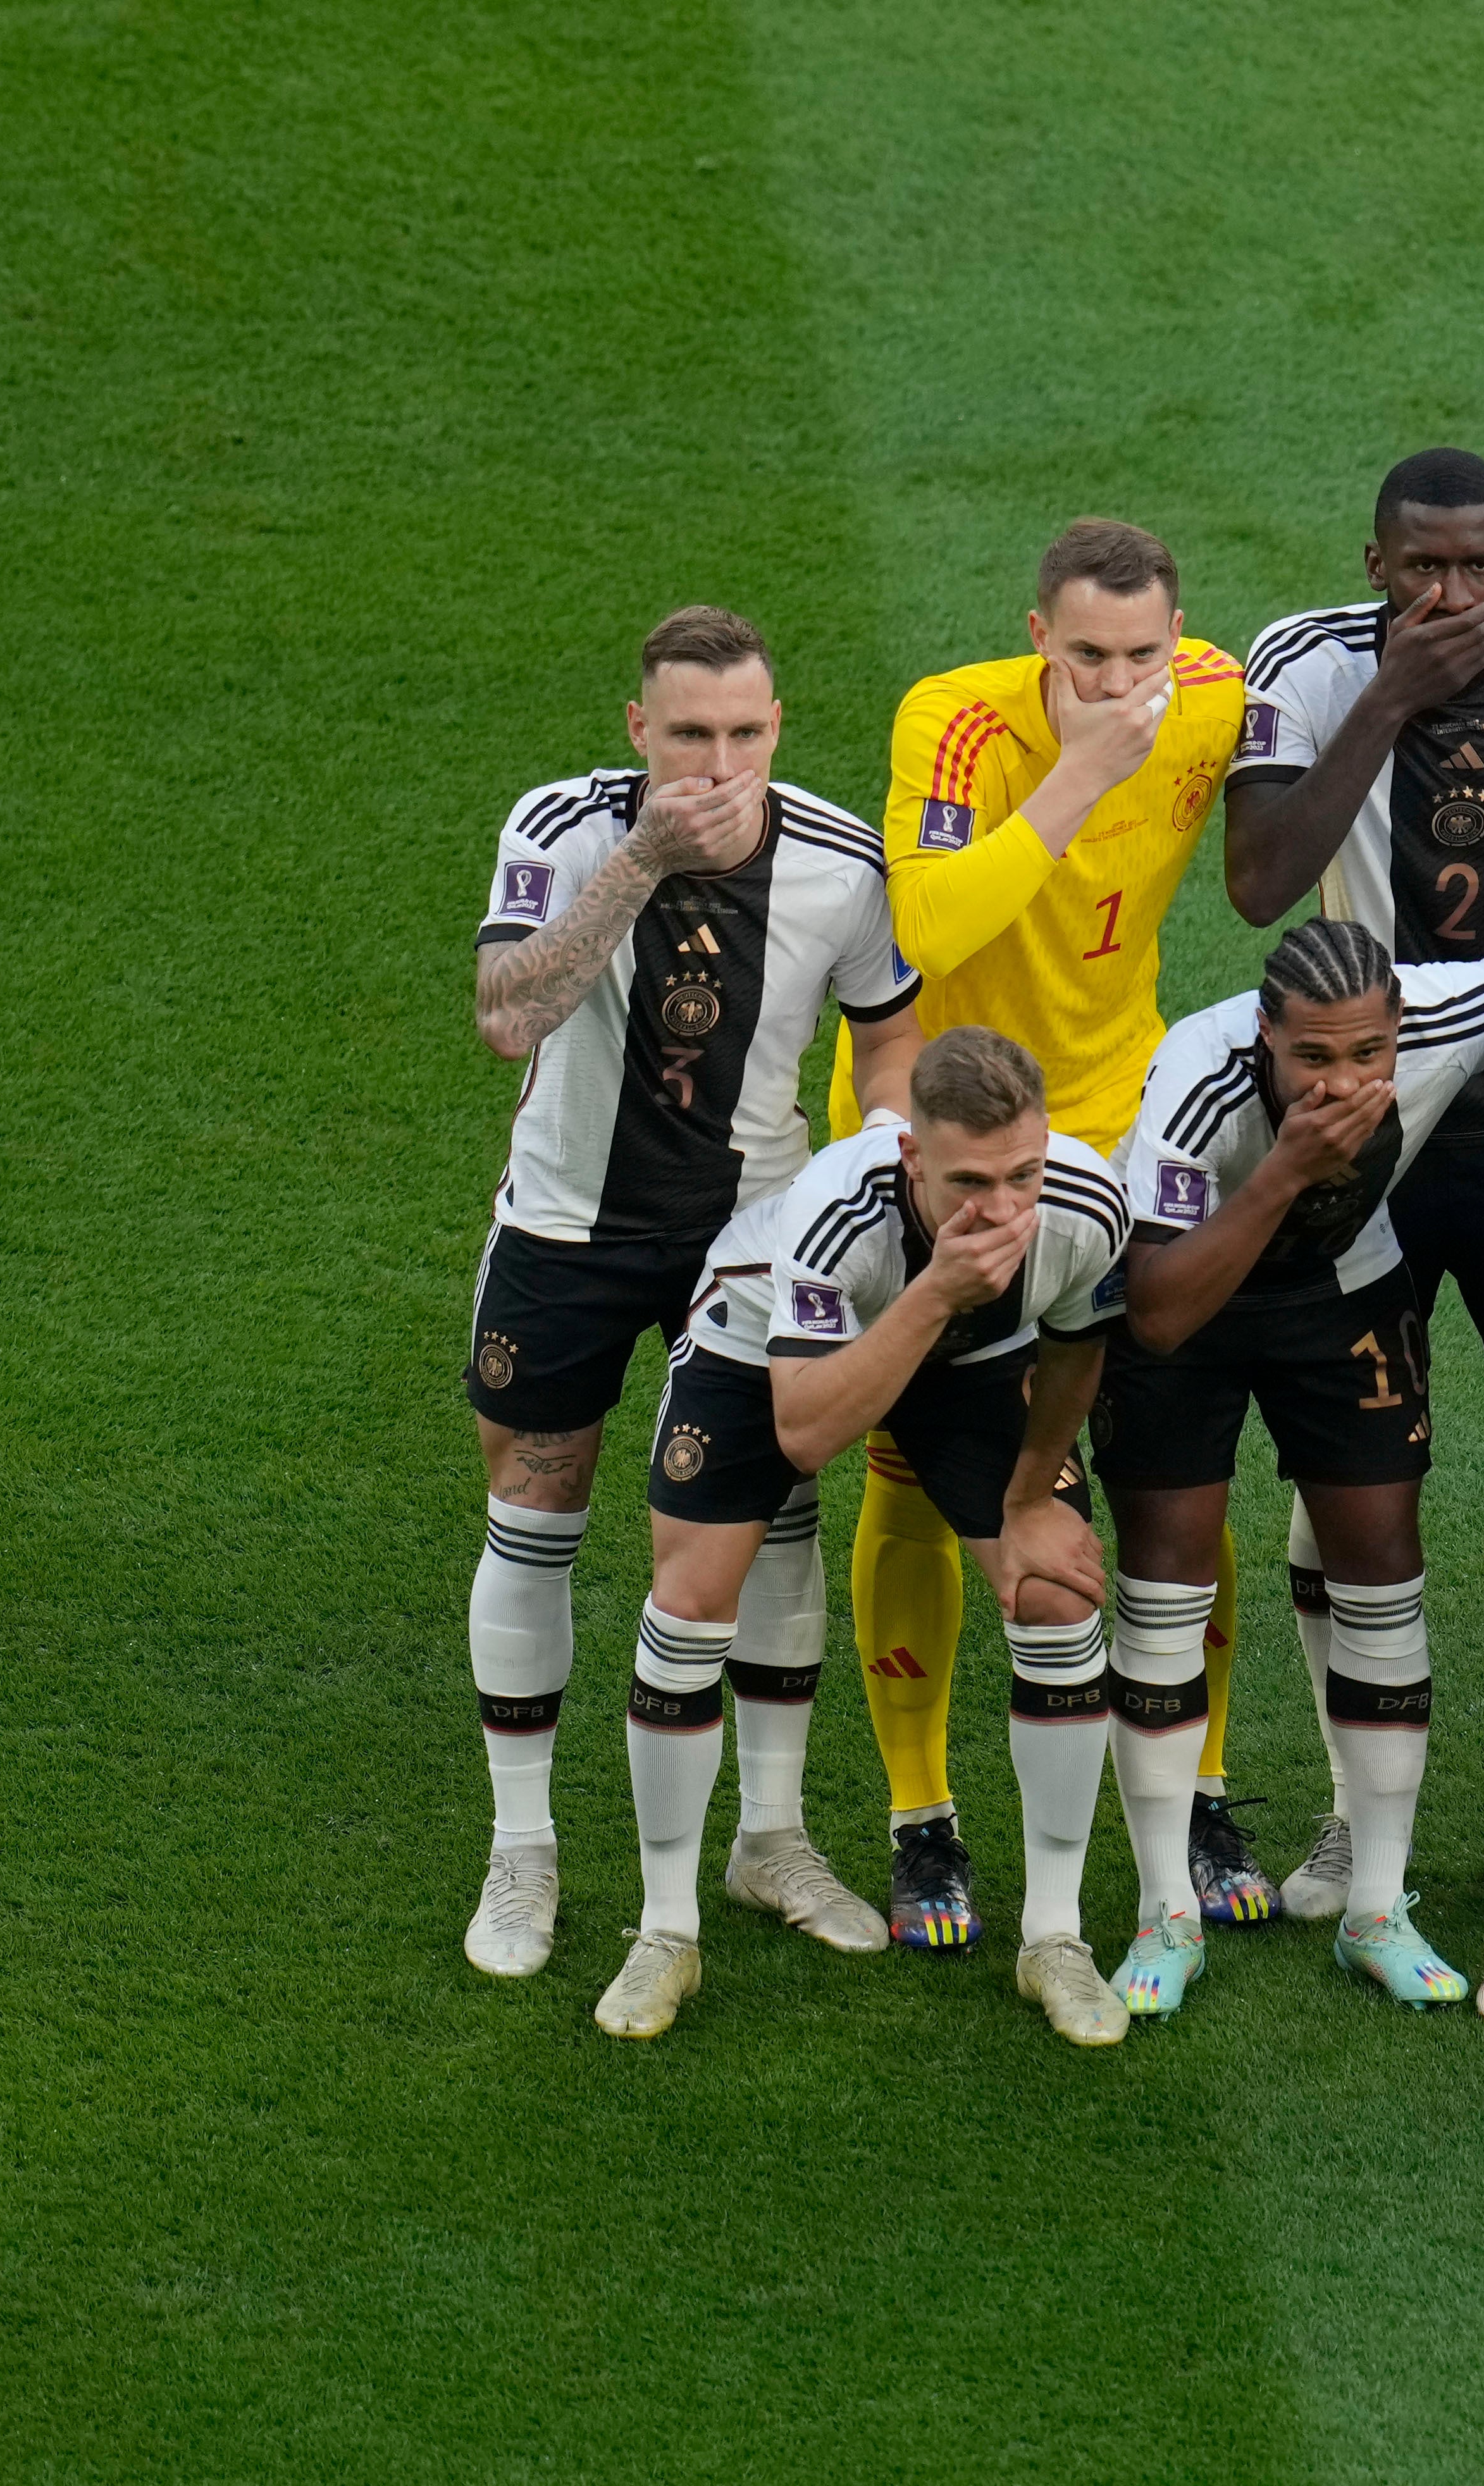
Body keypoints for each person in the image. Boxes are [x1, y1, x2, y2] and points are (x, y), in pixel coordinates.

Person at [459, 605, 921, 1982]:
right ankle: (523, 1847)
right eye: (686, 737)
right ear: (636, 731)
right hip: (564, 1228)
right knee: (535, 1509)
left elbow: (889, 1044)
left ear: (777, 727)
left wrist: (868, 1187)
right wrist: (646, 861)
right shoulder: (563, 829)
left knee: (772, 1519)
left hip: (752, 1235)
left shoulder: (841, 861)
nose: (714, 766)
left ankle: (768, 1835)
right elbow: (506, 1017)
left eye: (741, 735)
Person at [824, 519, 1262, 1951]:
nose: (1120, 682)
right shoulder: (951, 723)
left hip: (1123, 1127)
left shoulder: (1218, 690)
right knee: (912, 1466)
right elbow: (932, 928)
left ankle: (1192, 1782)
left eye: (1141, 655)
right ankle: (920, 1820)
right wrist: (1084, 770)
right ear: (1037, 635)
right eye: (1085, 654)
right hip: (946, 1145)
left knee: (1169, 1459)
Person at [1221, 448, 1484, 1921]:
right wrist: (1389, 697)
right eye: (1419, 568)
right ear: (1374, 563)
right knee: (1343, 1473)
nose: (1449, 594)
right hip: (1364, 1123)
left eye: (1476, 568)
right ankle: (1349, 1817)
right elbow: (1262, 880)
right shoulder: (1306, 664)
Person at [602, 1029, 1132, 2044]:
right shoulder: (840, 1213)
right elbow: (806, 1432)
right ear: (911, 1158)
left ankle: (1055, 1939)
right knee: (690, 1599)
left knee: (1056, 1596)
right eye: (972, 1181)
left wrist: (1027, 1500)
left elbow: (1075, 1350)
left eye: (1024, 1171)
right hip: (767, 1344)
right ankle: (667, 1928)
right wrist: (936, 1289)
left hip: (973, 1358)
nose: (1007, 1209)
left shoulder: (1086, 1203)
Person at [1103, 922, 1484, 2013]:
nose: (1342, 1080)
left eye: (1366, 1056)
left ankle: (1377, 1908)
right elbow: (1156, 1311)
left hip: (1344, 1292)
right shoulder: (1195, 1082)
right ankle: (1165, 1911)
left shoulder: (1449, 1011)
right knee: (1167, 1573)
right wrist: (1293, 1162)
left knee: (1382, 1566)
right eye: (1312, 1058)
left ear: (1401, 1027)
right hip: (1189, 1289)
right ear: (1265, 1035)